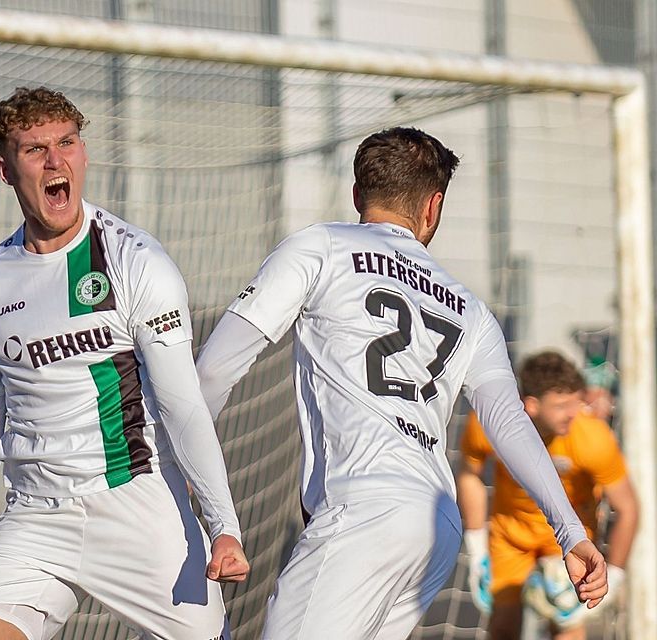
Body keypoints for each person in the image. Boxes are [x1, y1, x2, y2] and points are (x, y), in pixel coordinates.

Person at [194, 127, 608, 639]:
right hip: (435, 527)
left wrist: (180, 465)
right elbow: (509, 424)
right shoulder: (470, 308)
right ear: (433, 207)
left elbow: (213, 369)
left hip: (362, 510)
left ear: (357, 194)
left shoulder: (322, 245)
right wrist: (571, 532)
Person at [0, 86, 248, 640]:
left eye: (67, 143)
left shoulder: (135, 261)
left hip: (141, 506)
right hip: (36, 516)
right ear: (5, 171)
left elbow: (182, 405)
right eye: (35, 150)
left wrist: (223, 526)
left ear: (84, 153)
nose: (56, 161)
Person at [458, 351, 638, 640]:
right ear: (531, 406)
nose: (573, 412)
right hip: (511, 536)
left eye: (576, 402)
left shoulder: (593, 437)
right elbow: (470, 475)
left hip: (569, 540)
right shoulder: (488, 422)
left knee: (567, 630)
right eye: (561, 405)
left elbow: (628, 508)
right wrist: (477, 545)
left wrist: (615, 575)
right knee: (502, 628)